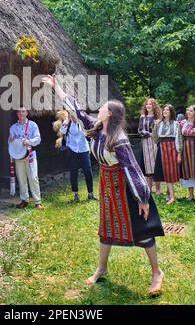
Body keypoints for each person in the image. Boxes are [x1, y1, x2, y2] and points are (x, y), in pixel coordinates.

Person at [42, 75, 164, 296]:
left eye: (103, 107)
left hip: (125, 188)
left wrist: (143, 199)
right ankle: (102, 268)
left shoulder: (119, 139)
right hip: (107, 186)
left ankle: (157, 272)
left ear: (110, 114)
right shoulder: (97, 127)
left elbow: (132, 169)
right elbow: (76, 109)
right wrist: (56, 87)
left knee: (142, 229)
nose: (99, 109)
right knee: (106, 227)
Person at [9, 107, 43, 209]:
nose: (21, 113)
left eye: (23, 111)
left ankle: (37, 201)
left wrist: (29, 142)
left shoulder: (33, 125)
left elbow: (38, 139)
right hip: (18, 155)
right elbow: (10, 143)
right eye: (19, 112)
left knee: (33, 177)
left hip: (30, 155)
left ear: (26, 113)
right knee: (21, 178)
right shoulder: (13, 127)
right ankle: (24, 200)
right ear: (17, 114)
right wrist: (11, 140)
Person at [59, 111, 97, 202]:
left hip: (84, 148)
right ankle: (76, 195)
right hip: (72, 149)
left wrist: (81, 123)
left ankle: (90, 194)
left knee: (88, 170)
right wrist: (67, 120)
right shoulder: (67, 123)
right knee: (73, 172)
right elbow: (61, 131)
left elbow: (89, 133)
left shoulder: (82, 122)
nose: (73, 116)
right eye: (71, 114)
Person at [153, 104, 183, 204]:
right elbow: (155, 137)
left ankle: (172, 196)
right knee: (165, 171)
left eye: (167, 110)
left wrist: (179, 153)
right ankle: (170, 195)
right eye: (164, 110)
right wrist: (160, 144)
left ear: (171, 112)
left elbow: (179, 139)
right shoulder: (158, 124)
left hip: (172, 148)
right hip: (162, 148)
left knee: (171, 171)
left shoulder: (176, 124)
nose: (164, 111)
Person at [180, 105, 195, 203]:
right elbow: (179, 136)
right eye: (188, 110)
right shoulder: (183, 123)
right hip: (186, 149)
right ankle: (190, 195)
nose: (188, 112)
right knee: (188, 170)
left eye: (190, 111)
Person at [138, 98, 161, 194]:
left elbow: (159, 132)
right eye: (147, 104)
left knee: (156, 165)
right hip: (145, 143)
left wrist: (153, 135)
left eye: (150, 104)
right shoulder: (142, 117)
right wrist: (149, 133)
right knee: (148, 167)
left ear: (154, 106)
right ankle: (149, 188)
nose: (148, 106)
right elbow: (140, 131)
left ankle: (158, 189)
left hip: (155, 143)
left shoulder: (158, 118)